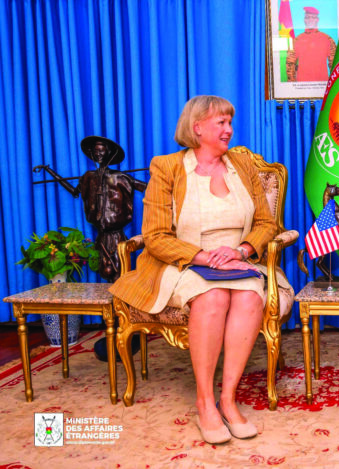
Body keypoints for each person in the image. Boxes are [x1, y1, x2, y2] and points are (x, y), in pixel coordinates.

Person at [110, 95, 293, 445]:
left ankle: (228, 399)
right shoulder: (167, 167)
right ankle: (205, 402)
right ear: (197, 128)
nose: (229, 129)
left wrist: (242, 250)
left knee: (250, 298)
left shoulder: (242, 164)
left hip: (239, 259)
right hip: (184, 262)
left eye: (229, 122)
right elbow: (155, 236)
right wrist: (204, 257)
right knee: (213, 296)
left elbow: (267, 223)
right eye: (221, 123)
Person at [33, 136, 147, 282]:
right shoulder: (88, 177)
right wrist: (50, 171)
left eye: (102, 151)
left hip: (116, 236)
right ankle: (108, 296)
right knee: (105, 271)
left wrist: (161, 174)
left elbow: (147, 187)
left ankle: (120, 295)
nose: (99, 154)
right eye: (96, 151)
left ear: (109, 153)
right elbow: (74, 191)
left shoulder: (121, 177)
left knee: (119, 271)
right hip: (101, 235)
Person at [285, 6, 336, 82]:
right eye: (307, 17)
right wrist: (292, 85)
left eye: (313, 17)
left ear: (317, 19)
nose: (310, 20)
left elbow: (334, 65)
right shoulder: (296, 40)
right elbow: (290, 64)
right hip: (302, 86)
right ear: (304, 20)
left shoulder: (327, 39)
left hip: (322, 85)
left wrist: (333, 85)